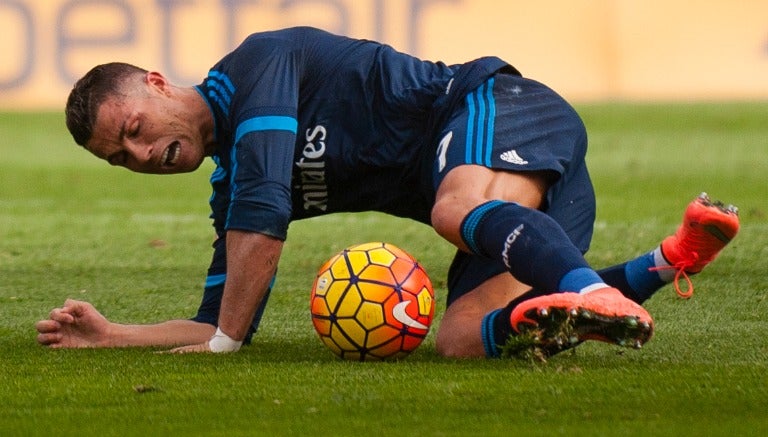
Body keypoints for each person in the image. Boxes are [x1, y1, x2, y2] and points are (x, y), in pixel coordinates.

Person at [35, 27, 739, 359]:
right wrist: (113, 334)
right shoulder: (235, 182)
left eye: (131, 129)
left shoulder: (257, 67)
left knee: (450, 207)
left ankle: (589, 290)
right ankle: (665, 259)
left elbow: (265, 214)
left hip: (498, 106)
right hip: (515, 211)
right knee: (463, 339)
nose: (139, 153)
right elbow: (224, 319)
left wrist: (224, 343)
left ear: (157, 84)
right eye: (120, 159)